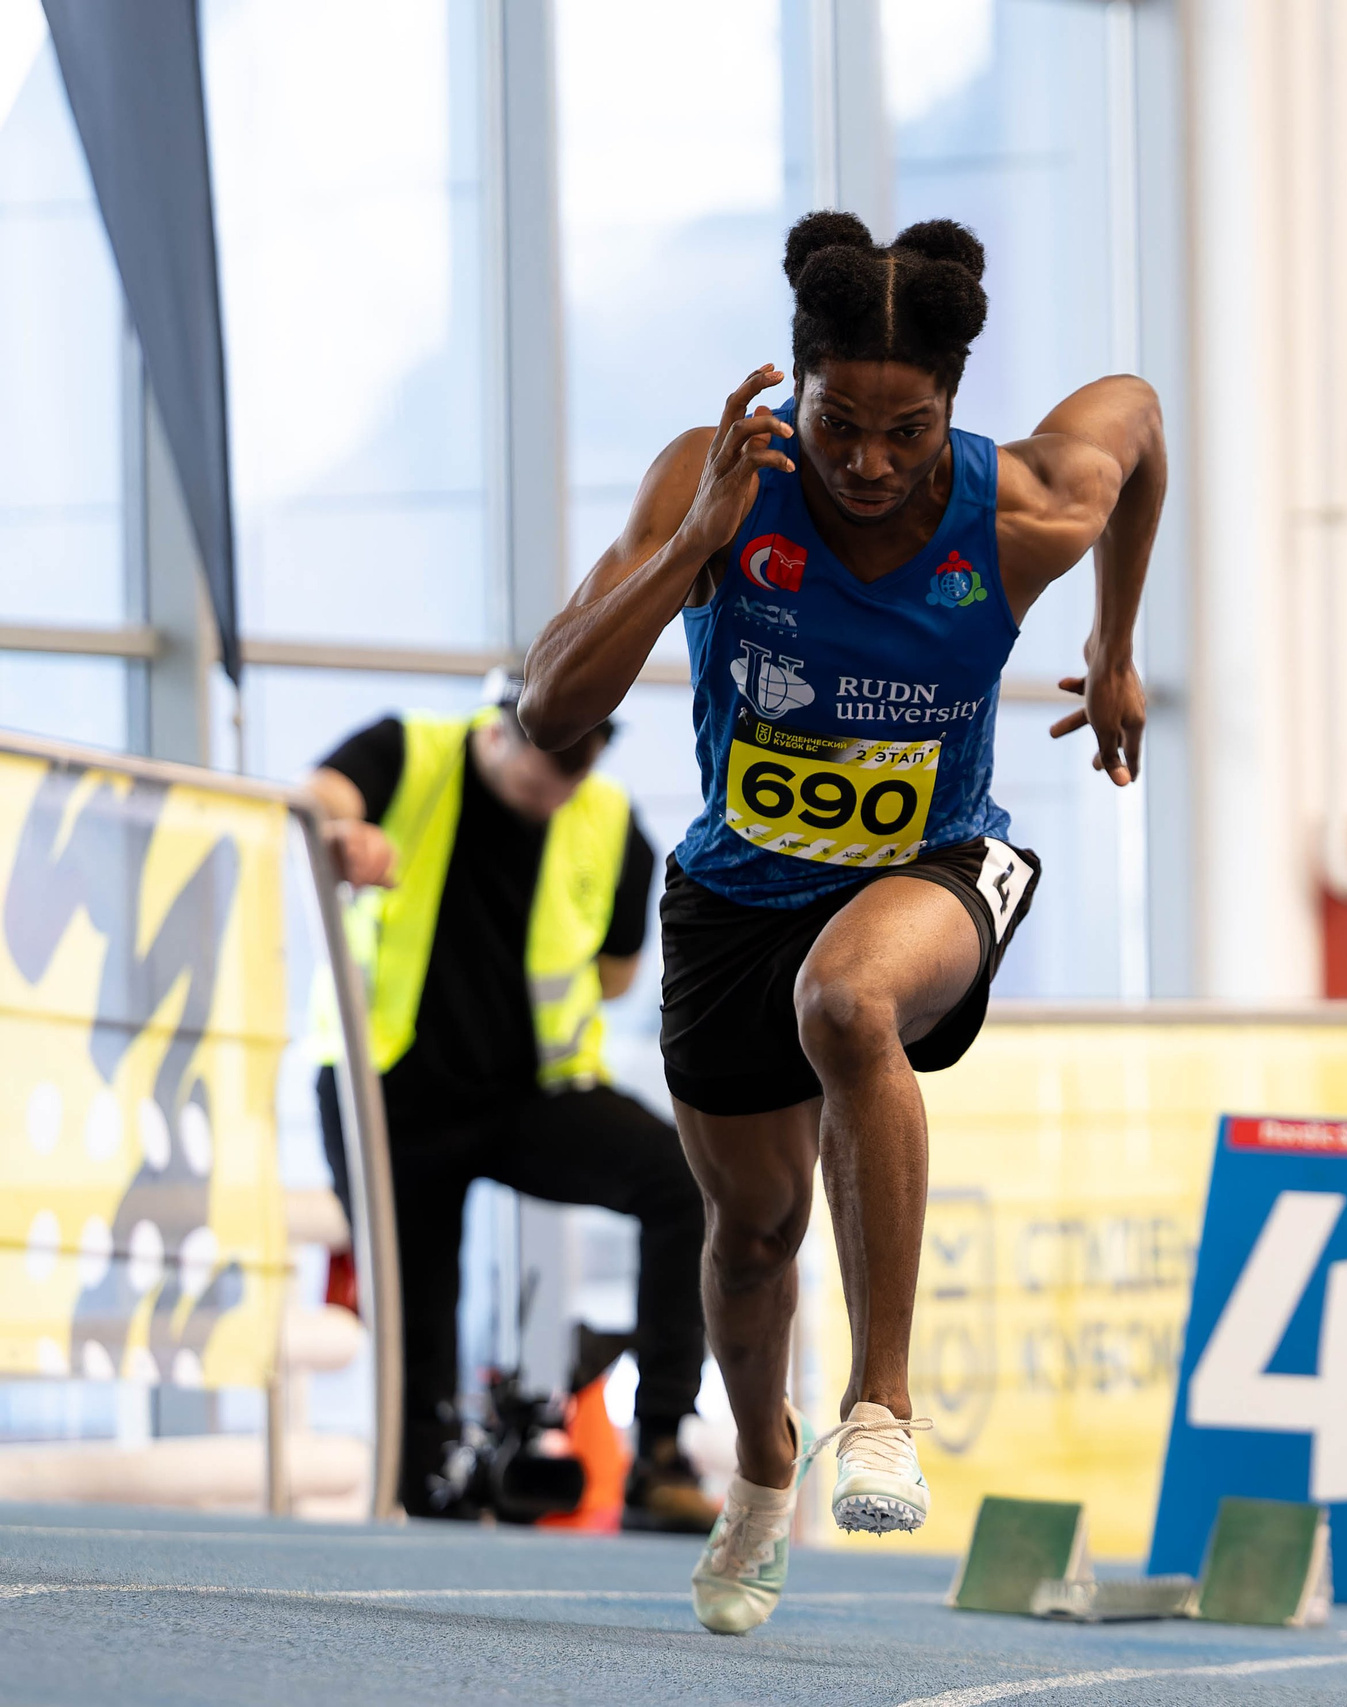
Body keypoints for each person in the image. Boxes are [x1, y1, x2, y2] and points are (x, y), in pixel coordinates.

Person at [517, 210, 1162, 1634]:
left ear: (952, 409)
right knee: (752, 1234)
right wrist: (693, 545)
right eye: (837, 426)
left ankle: (880, 1404)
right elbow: (549, 705)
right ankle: (759, 1469)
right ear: (790, 390)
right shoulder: (719, 481)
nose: (868, 463)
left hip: (934, 869)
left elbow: (1141, 418)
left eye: (908, 429)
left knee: (847, 1002)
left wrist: (1114, 651)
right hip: (735, 893)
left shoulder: (1024, 510)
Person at [307, 691, 719, 1532]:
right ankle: (425, 1483)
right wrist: (346, 836)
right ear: (497, 728)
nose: (559, 783)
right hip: (393, 1090)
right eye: (546, 761)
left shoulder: (608, 818)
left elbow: (617, 972)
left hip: (528, 1095)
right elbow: (321, 795)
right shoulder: (410, 749)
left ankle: (663, 1445)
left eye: (580, 761)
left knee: (682, 1179)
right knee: (420, 1308)